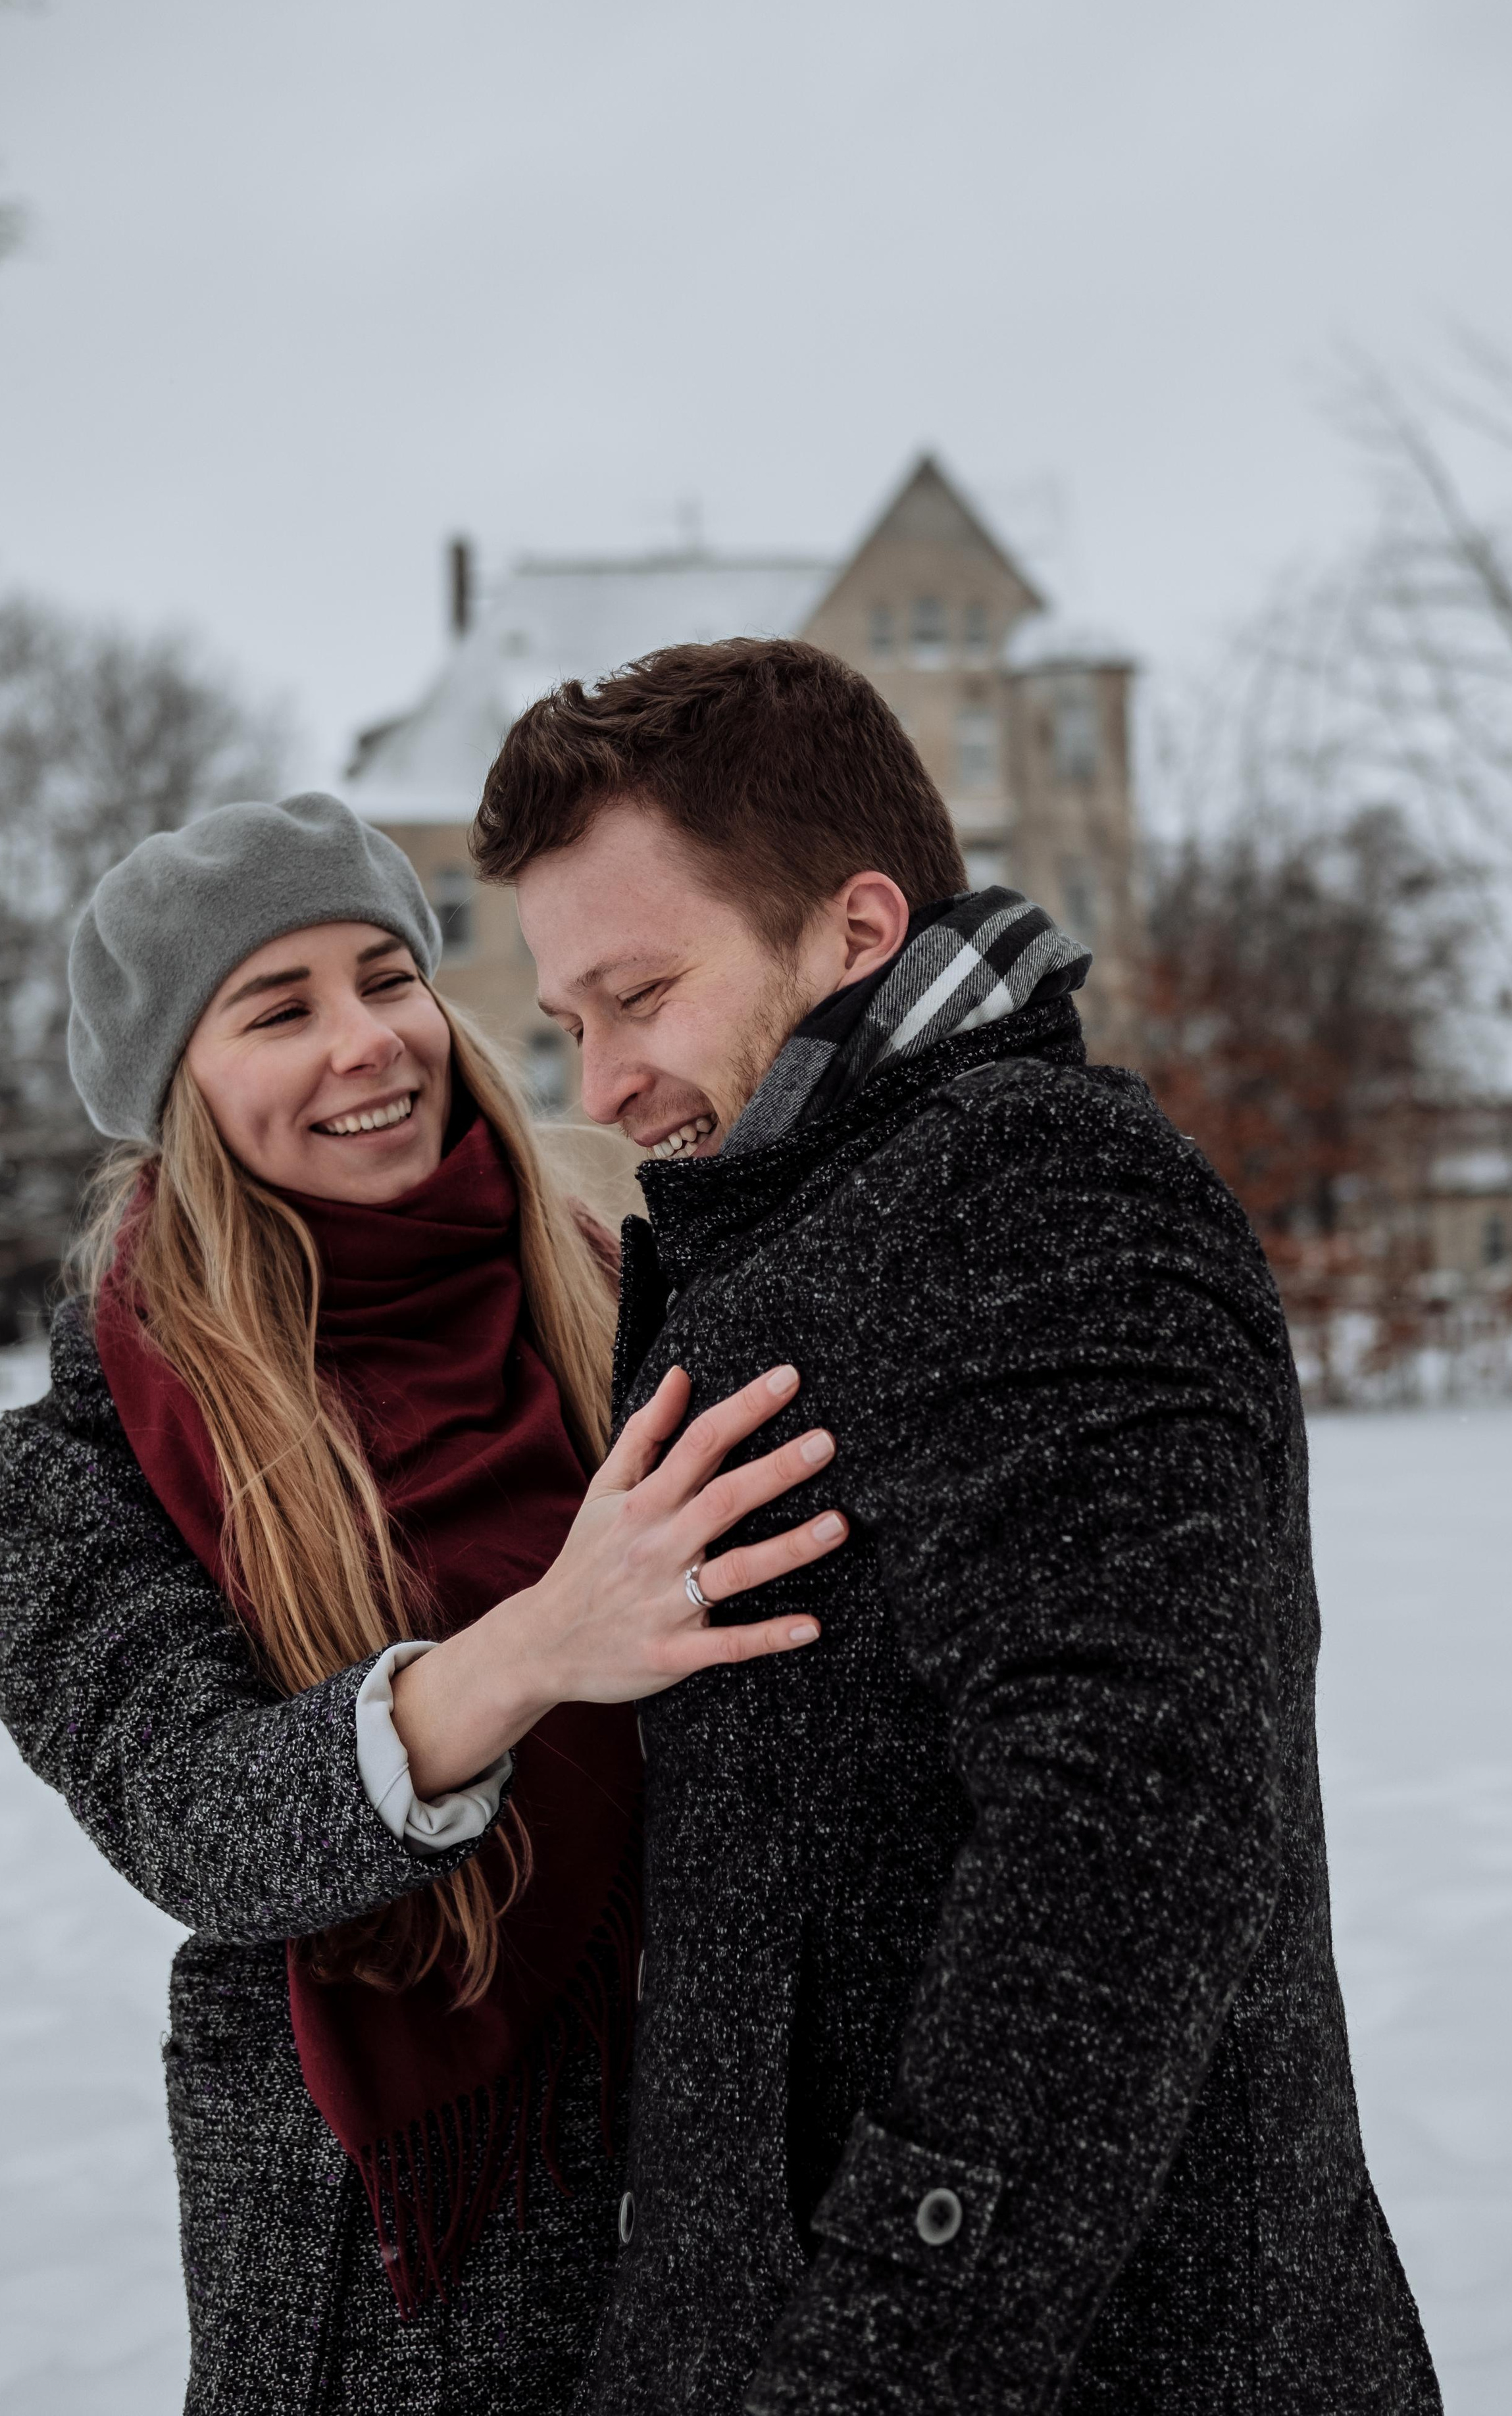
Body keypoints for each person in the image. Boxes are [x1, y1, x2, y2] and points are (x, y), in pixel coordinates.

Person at [473, 640, 1444, 2416]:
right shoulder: (791, 1216)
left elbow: (1143, 1816)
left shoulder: (1034, 1190)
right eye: (568, 1025)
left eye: (640, 995)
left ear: (853, 932)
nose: (600, 1085)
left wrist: (888, 2345)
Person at [0, 790, 846, 2416]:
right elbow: (204, 1827)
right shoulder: (86, 1467)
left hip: (727, 2183)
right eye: (277, 1008)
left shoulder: (625, 1286)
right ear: (180, 1088)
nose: (366, 1042)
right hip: (398, 2274)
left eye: (388, 978)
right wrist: (533, 1649)